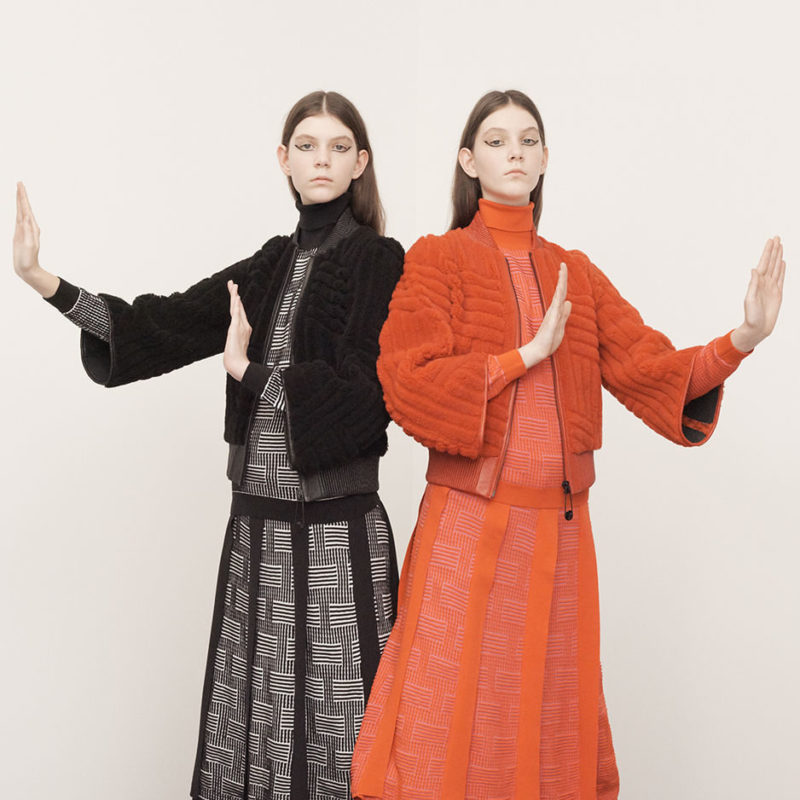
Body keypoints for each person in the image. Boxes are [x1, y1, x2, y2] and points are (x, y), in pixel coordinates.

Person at [350, 89, 785, 800]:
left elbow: (649, 367)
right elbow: (406, 380)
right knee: (448, 711)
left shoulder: (574, 272)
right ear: (468, 160)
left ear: (546, 158)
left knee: (550, 716)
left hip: (558, 534)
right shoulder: (438, 259)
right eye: (496, 140)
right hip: (464, 525)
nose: (515, 152)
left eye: (528, 140)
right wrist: (523, 356)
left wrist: (743, 339)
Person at [13, 90, 404, 800]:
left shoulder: (379, 260)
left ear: (361, 163)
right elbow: (164, 325)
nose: (322, 160)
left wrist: (251, 372)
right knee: (256, 727)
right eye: (307, 146)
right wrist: (46, 283)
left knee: (343, 731)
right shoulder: (267, 263)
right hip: (258, 526)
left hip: (337, 531)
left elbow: (365, 394)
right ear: (283, 160)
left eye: (338, 147)